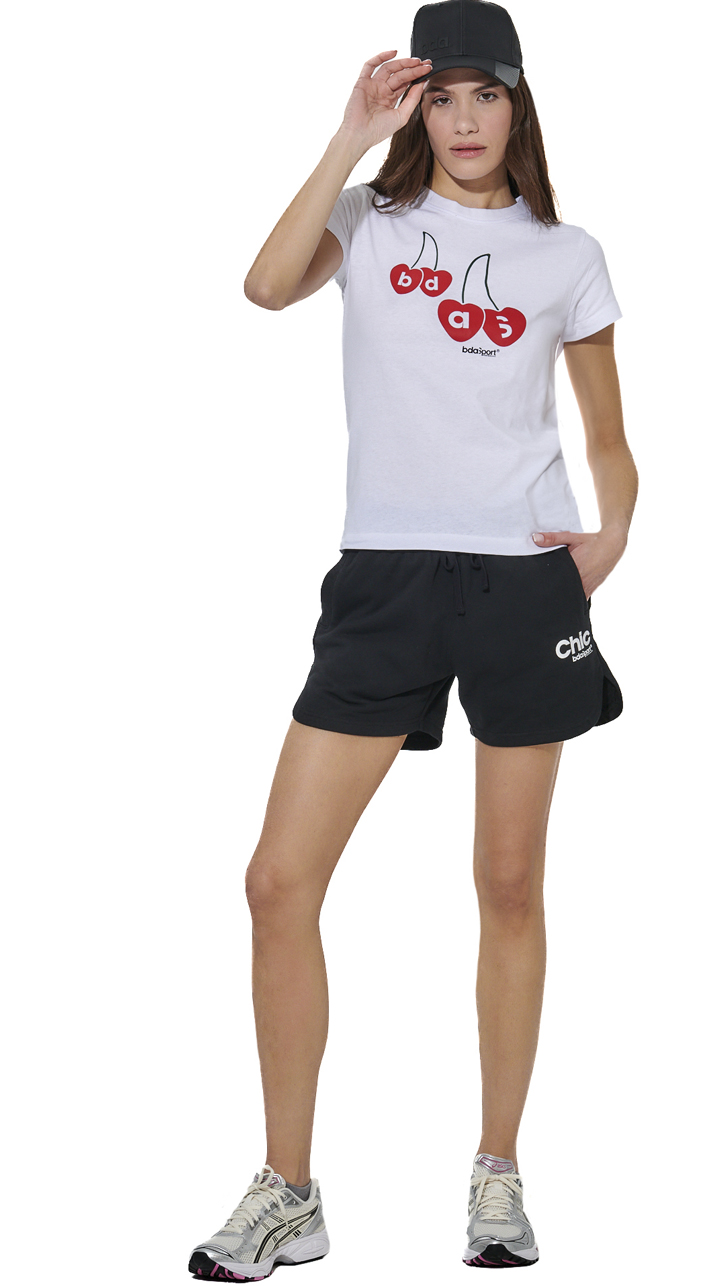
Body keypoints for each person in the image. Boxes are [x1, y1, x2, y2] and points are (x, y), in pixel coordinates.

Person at [188, 0, 638, 1276]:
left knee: (508, 881)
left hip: (522, 583)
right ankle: (288, 1190)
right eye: (438, 97)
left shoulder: (566, 254)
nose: (462, 119)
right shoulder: (367, 221)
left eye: (482, 94)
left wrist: (610, 533)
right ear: (413, 109)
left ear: (515, 104)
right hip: (384, 577)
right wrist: (346, 136)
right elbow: (262, 286)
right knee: (277, 881)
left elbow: (609, 437)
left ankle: (496, 1174)